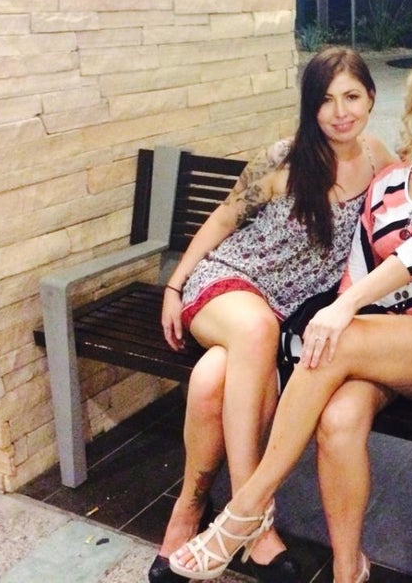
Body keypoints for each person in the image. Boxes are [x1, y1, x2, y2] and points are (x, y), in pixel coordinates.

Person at [167, 49, 412, 582]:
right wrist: (345, 306)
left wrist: (342, 311)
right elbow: (358, 265)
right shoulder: (391, 179)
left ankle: (245, 511)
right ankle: (348, 568)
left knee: (334, 341)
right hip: (374, 334)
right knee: (337, 420)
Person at [148, 46, 394, 583]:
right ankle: (251, 517)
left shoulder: (379, 158)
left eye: (352, 96)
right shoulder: (285, 158)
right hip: (228, 285)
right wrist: (175, 284)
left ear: (372, 98)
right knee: (256, 328)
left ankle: (189, 508)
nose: (340, 112)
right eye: (325, 100)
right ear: (310, 107)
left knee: (211, 380)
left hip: (289, 313)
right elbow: (223, 219)